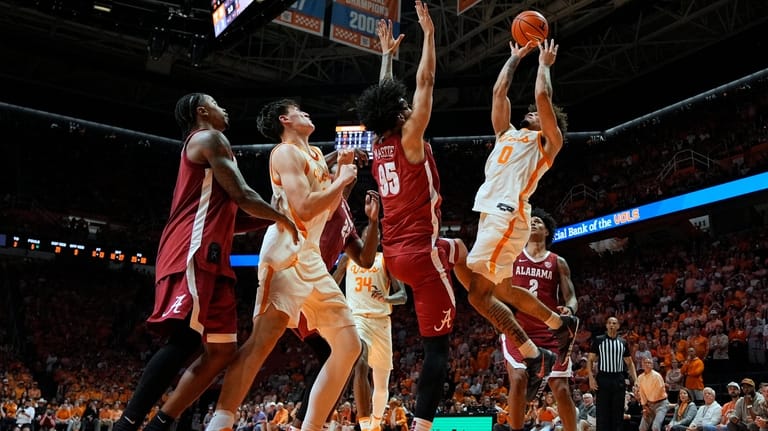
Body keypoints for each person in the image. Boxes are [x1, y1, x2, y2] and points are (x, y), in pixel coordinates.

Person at [110, 93, 297, 431]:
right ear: (202, 112)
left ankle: (160, 423)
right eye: (216, 103)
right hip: (190, 250)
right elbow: (243, 196)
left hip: (214, 255)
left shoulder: (216, 150)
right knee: (184, 340)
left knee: (222, 351)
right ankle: (126, 423)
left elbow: (232, 219)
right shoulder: (209, 138)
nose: (224, 108)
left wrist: (273, 217)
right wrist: (283, 217)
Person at [206, 99, 361, 431]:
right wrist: (341, 179)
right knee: (263, 341)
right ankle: (219, 423)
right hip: (286, 253)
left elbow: (329, 207)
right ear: (285, 119)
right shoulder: (283, 152)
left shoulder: (316, 155)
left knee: (349, 345)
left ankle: (312, 426)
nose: (307, 113)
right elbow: (303, 208)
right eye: (300, 111)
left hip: (312, 260)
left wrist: (341, 174)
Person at [356, 4, 467, 431]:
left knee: (462, 252)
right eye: (402, 106)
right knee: (437, 350)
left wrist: (385, 57)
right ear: (399, 115)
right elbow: (426, 80)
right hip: (422, 255)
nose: (407, 106)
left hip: (396, 255)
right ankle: (423, 425)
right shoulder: (410, 139)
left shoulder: (380, 142)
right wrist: (431, 35)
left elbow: (385, 97)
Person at [463, 34, 577, 401]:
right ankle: (559, 325)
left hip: (507, 214)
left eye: (534, 113)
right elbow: (499, 94)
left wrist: (544, 64)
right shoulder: (506, 135)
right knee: (500, 292)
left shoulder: (548, 142)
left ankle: (533, 351)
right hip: (490, 215)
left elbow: (543, 99)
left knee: (475, 289)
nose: (529, 111)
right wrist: (515, 58)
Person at [290, 158, 381, 431]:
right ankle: (308, 422)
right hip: (304, 287)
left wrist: (374, 222)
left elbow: (365, 260)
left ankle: (307, 421)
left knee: (339, 355)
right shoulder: (323, 202)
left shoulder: (344, 215)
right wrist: (342, 156)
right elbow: (317, 169)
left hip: (314, 290)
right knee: (342, 353)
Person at [497, 208, 579, 431]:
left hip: (551, 331)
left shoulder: (557, 262)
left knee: (561, 389)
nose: (533, 223)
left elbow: (571, 297)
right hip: (518, 330)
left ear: (547, 231)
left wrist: (569, 311)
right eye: (530, 221)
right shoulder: (512, 257)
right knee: (519, 377)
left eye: (538, 222)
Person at [336, 242, 407, 431]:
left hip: (382, 321)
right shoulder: (347, 258)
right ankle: (365, 423)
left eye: (373, 235)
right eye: (365, 235)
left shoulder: (385, 259)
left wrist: (386, 299)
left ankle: (376, 422)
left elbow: (403, 296)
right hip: (358, 318)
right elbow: (333, 285)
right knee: (360, 361)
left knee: (381, 383)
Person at [588, 316, 638, 431]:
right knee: (602, 412)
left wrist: (636, 380)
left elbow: (630, 363)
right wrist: (591, 378)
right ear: (606, 325)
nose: (612, 325)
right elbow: (590, 360)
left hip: (618, 379)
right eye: (609, 323)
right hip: (603, 378)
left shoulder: (623, 342)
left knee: (617, 412)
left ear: (618, 326)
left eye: (614, 323)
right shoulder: (599, 340)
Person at [636, 357, 668, 431]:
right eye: (645, 363)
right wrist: (644, 406)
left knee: (655, 428)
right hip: (649, 405)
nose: (647, 364)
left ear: (652, 365)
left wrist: (650, 405)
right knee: (642, 428)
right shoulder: (640, 377)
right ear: (642, 365)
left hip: (661, 404)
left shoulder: (657, 376)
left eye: (649, 363)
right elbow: (642, 393)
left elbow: (660, 391)